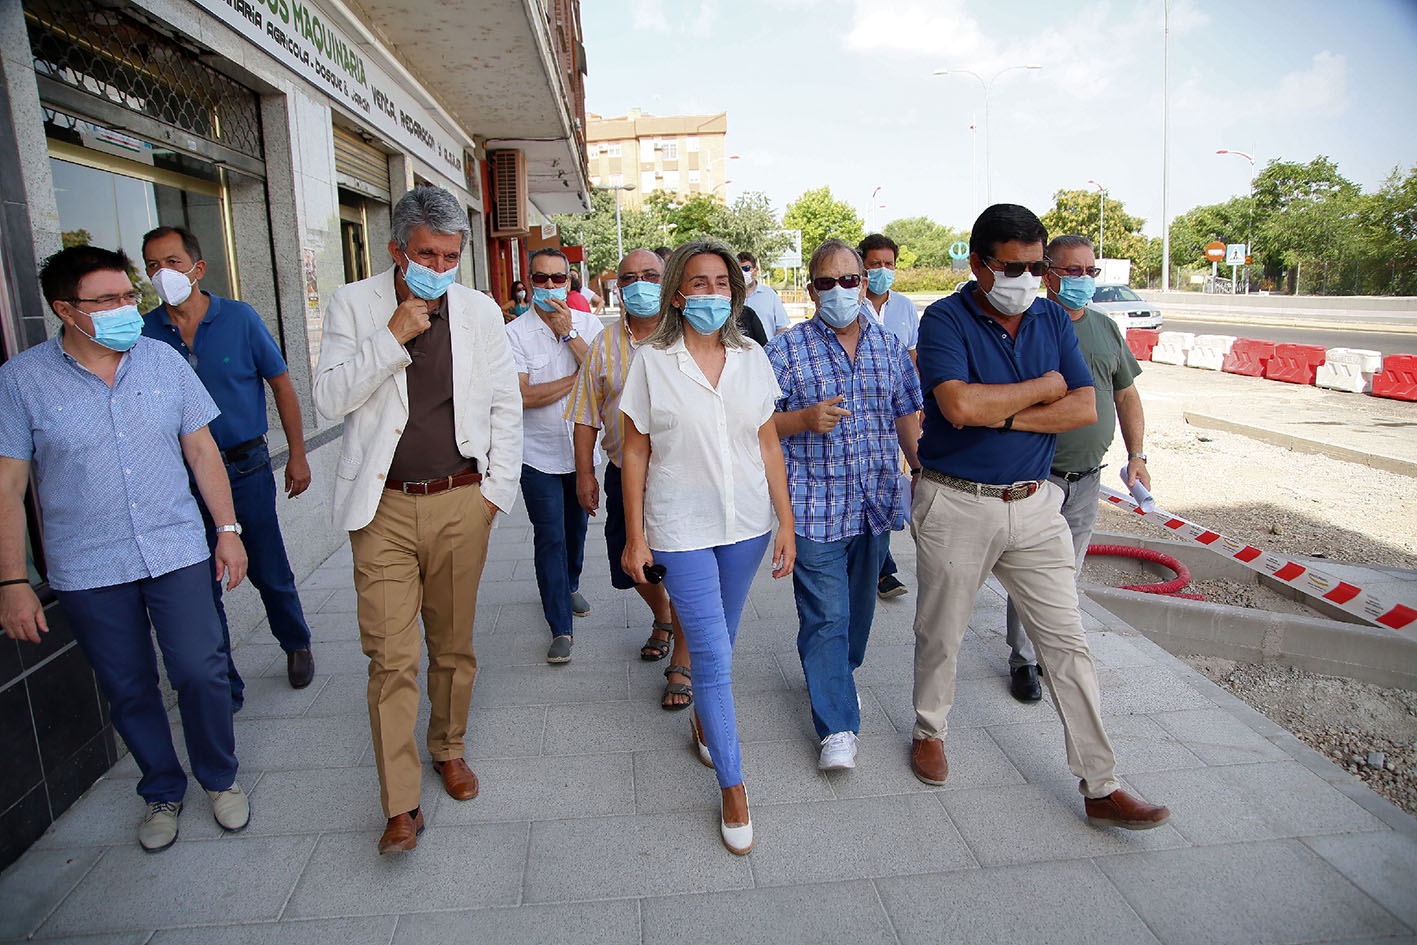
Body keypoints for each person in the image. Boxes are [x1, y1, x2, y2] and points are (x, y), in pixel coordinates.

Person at [909, 203, 1170, 829]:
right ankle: (930, 729)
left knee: (1067, 644)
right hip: (956, 502)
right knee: (942, 632)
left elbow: (1083, 407)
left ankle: (1100, 784)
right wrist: (1040, 387)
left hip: (1035, 504)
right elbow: (956, 404)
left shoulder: (1052, 316)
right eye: (1014, 267)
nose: (1028, 280)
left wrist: (1000, 410)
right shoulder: (945, 319)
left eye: (1036, 267)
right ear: (978, 265)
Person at [0, 245, 250, 852]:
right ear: (65, 309)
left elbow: (201, 451)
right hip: (88, 567)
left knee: (200, 667)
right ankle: (162, 788)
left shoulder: (162, 361)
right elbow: (8, 485)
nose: (125, 308)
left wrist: (228, 530)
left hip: (176, 550)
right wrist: (11, 581)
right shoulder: (22, 380)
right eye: (106, 299)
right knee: (129, 685)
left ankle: (218, 777)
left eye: (127, 295)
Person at [312, 185, 522, 855]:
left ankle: (448, 746)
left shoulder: (480, 311)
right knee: (390, 656)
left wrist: (494, 493)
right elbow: (329, 399)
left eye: (451, 254)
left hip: (462, 499)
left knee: (452, 644)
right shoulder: (354, 305)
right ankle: (400, 802)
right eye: (427, 253)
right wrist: (391, 336)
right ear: (397, 249)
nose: (439, 264)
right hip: (383, 509)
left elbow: (503, 406)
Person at [619, 239, 795, 855]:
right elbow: (634, 449)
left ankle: (703, 719)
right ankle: (734, 785)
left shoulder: (751, 357)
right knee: (717, 659)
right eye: (699, 282)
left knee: (725, 635)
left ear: (736, 291)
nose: (712, 293)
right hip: (681, 529)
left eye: (722, 282)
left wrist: (786, 523)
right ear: (677, 292)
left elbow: (768, 443)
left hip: (747, 525)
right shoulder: (652, 361)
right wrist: (634, 534)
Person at [140, 226, 316, 702]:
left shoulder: (238, 318)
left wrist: (297, 454)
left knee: (267, 565)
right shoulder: (144, 333)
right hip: (181, 478)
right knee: (199, 581)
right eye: (152, 265)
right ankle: (224, 682)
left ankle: (296, 642)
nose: (162, 273)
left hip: (244, 467)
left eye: (172, 262)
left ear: (197, 268)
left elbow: (281, 384)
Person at [767, 239, 922, 770]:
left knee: (857, 615)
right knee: (827, 614)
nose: (840, 291)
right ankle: (836, 727)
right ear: (811, 290)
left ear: (866, 284)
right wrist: (802, 420)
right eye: (827, 283)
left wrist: (920, 471)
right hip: (813, 507)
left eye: (849, 280)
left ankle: (834, 671)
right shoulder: (785, 351)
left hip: (873, 504)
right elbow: (760, 426)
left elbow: (906, 414)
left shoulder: (889, 346)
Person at [1002, 235, 1150, 702]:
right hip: (1036, 475)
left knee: (1067, 572)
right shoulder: (1029, 327)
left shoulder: (1106, 329)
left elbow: (1125, 394)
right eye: (1073, 272)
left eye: (1091, 272)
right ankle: (1024, 659)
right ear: (1048, 275)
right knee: (1031, 571)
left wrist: (1138, 455)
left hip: (1088, 479)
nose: (1084, 281)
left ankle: (1055, 653)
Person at [565, 248, 688, 709]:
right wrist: (585, 475)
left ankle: (684, 657)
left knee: (685, 566)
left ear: (668, 279)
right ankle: (666, 615)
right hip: (625, 475)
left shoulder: (687, 336)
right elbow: (584, 413)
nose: (640, 285)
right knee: (630, 561)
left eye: (651, 275)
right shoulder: (604, 342)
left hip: (681, 475)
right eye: (630, 277)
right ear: (617, 287)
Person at [505, 248, 603, 663]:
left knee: (577, 527)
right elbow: (523, 396)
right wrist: (576, 377)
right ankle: (559, 625)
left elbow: (603, 376)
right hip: (537, 455)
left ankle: (572, 582)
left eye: (557, 279)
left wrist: (568, 335)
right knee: (550, 536)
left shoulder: (589, 325)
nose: (548, 287)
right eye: (540, 279)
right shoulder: (515, 333)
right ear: (527, 282)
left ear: (569, 280)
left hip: (583, 454)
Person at [856, 233, 921, 602]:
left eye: (889, 264)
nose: (883, 271)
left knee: (888, 484)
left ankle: (879, 564)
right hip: (858, 413)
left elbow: (911, 359)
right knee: (867, 484)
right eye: (875, 264)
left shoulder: (905, 308)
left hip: (894, 413)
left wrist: (914, 407)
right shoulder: (849, 302)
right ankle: (882, 569)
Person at [738, 251, 790, 338]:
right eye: (739, 269)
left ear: (755, 271)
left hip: (766, 350)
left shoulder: (770, 295)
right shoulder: (730, 297)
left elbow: (782, 328)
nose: (743, 273)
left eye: (746, 268)